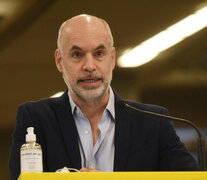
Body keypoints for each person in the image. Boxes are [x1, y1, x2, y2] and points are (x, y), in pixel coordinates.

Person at [9, 14, 198, 180]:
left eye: (99, 53)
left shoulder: (153, 122)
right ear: (59, 61)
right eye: (77, 54)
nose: (89, 66)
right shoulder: (35, 119)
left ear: (112, 58)